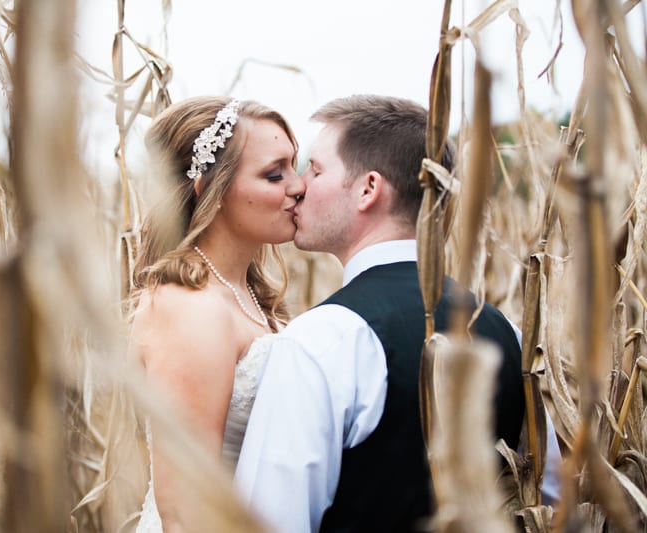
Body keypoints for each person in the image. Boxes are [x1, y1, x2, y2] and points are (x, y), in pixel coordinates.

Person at [234, 95, 561, 532]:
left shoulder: (321, 340)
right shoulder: (507, 333)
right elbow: (549, 498)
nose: (299, 186)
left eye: (315, 169)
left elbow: (269, 522)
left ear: (369, 189)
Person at [127, 96, 304, 532]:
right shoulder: (190, 308)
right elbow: (187, 508)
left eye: (295, 168)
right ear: (210, 189)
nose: (299, 187)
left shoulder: (249, 298)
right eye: (275, 174)